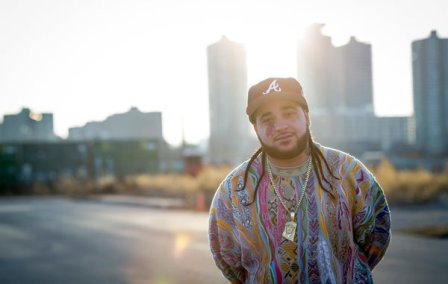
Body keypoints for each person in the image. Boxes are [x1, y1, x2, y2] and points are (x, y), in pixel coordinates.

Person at [208, 77, 391, 283]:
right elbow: (226, 257)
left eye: (289, 113)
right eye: (267, 119)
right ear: (255, 128)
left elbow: (377, 236)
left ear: (306, 116)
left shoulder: (348, 172)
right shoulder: (235, 188)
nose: (280, 126)